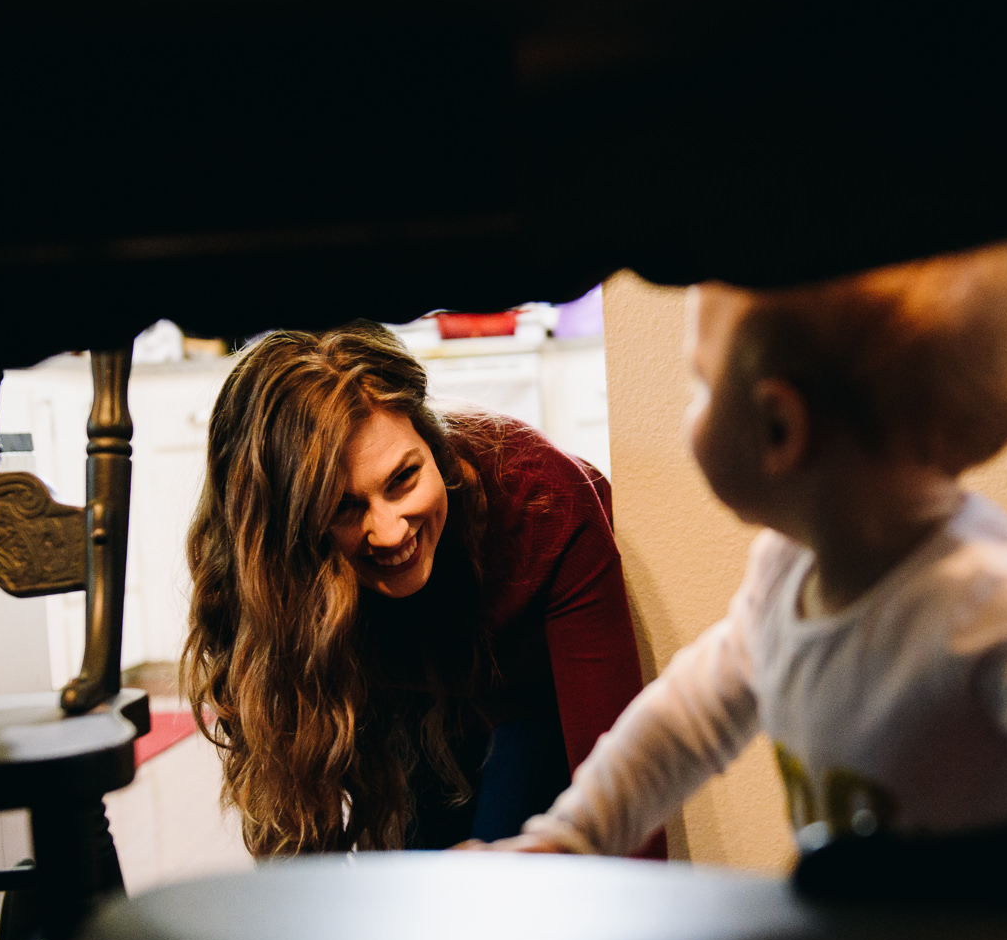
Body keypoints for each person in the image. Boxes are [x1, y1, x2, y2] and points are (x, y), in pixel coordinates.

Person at [467, 244, 1007, 864]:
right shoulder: (786, 571)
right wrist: (567, 839)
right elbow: (681, 723)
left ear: (780, 427)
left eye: (700, 383)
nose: (690, 407)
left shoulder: (1005, 604)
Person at [182, 321, 660, 857]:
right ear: (288, 538)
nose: (390, 532)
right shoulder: (269, 579)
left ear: (433, 445)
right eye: (344, 507)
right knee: (413, 880)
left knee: (499, 882)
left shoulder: (546, 505)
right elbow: (295, 836)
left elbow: (623, 788)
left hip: (526, 692)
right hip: (401, 684)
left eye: (404, 479)